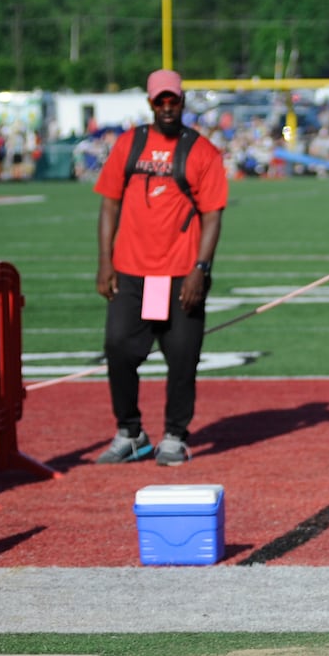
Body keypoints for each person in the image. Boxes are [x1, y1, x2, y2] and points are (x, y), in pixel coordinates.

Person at [93, 68, 229, 464]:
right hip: (132, 271)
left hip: (180, 273)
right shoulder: (128, 144)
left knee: (183, 356)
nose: (167, 107)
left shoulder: (202, 151)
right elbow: (109, 204)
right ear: (150, 103)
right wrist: (105, 262)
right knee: (118, 348)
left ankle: (175, 434)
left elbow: (213, 215)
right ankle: (130, 431)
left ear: (183, 101)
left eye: (173, 100)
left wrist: (200, 269)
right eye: (160, 101)